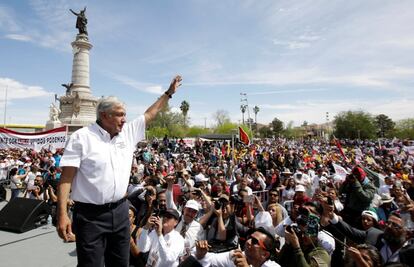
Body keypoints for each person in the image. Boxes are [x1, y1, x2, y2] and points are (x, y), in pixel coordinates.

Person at [56, 75, 182, 267]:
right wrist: (62, 214)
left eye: (125, 114)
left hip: (121, 211)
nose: (125, 119)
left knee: (120, 262)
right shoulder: (82, 138)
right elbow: (66, 179)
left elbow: (150, 114)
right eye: (120, 114)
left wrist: (169, 93)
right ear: (104, 115)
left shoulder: (127, 134)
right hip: (90, 217)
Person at [194, 227, 281, 267]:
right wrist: (201, 254)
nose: (248, 242)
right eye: (249, 238)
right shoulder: (237, 256)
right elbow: (211, 260)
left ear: (265, 254)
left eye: (254, 241)